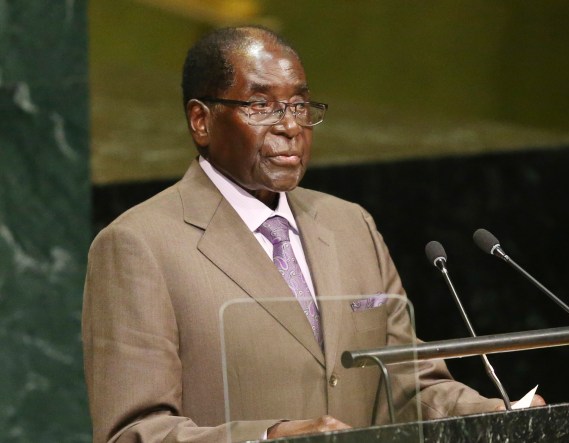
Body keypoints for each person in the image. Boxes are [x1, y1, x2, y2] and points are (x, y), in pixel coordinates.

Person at [82, 25, 541, 443]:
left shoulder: (349, 224)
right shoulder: (138, 245)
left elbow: (407, 385)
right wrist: (269, 437)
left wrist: (494, 416)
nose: (289, 126)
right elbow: (133, 432)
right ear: (201, 120)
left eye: (300, 105)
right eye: (261, 105)